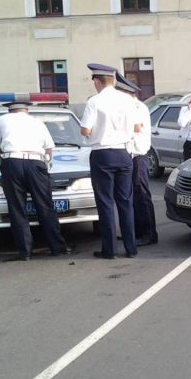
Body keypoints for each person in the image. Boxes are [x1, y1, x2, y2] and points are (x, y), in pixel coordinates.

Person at [0, 101, 72, 261]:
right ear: (26, 110)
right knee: (45, 206)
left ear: (9, 110)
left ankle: (25, 251)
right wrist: (44, 166)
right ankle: (57, 247)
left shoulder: (2, 120)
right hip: (36, 162)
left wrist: (4, 162)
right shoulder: (37, 122)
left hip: (12, 162)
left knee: (17, 208)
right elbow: (49, 149)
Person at [80, 63, 139, 259]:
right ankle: (131, 248)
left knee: (105, 203)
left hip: (102, 154)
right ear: (113, 81)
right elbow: (137, 127)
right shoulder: (128, 100)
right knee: (125, 202)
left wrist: (96, 132)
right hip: (124, 153)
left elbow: (85, 130)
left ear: (97, 81)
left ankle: (110, 249)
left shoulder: (94, 102)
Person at [115, 73, 158, 247]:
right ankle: (134, 232)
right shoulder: (129, 107)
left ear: (127, 93)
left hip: (138, 156)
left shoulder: (137, 107)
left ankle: (148, 233)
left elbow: (137, 127)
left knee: (141, 194)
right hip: (129, 155)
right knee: (131, 195)